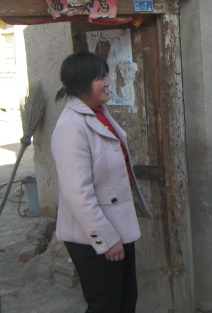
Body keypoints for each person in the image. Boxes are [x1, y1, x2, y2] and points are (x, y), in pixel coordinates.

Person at [51, 51, 153, 313]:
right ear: (80, 84)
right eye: (99, 78)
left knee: (125, 301)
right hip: (92, 237)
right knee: (105, 306)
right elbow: (78, 194)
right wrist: (106, 239)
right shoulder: (71, 127)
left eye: (105, 76)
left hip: (117, 226)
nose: (107, 82)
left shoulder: (98, 114)